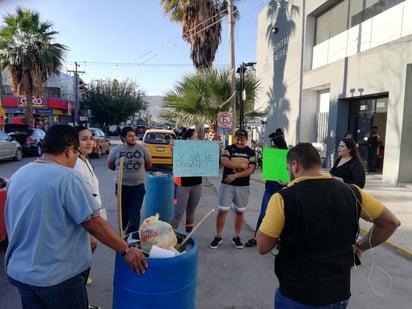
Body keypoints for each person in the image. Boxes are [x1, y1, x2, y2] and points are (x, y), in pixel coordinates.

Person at [5, 125, 148, 309]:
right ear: (69, 150)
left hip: (22, 274)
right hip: (57, 277)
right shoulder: (67, 177)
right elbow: (93, 223)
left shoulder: (19, 175)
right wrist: (126, 250)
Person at [256, 143, 400, 308]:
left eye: (288, 168)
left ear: (294, 166)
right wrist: (361, 247)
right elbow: (391, 223)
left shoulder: (283, 198)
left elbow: (262, 246)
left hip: (297, 294)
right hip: (338, 295)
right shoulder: (353, 192)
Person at [209, 129, 257, 249]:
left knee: (240, 212)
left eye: (242, 139)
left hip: (243, 186)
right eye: (238, 139)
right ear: (235, 138)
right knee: (222, 211)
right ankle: (218, 236)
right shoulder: (228, 149)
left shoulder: (250, 152)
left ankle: (236, 236)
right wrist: (241, 165)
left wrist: (235, 175)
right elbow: (224, 161)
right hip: (227, 186)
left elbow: (251, 169)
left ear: (246, 139)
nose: (240, 142)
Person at [245, 135, 288, 247]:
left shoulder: (288, 157)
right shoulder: (272, 155)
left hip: (282, 188)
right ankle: (257, 236)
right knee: (264, 212)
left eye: (275, 145)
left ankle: (281, 239)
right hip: (270, 186)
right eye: (272, 145)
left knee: (282, 215)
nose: (273, 148)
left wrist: (287, 183)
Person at [107, 126, 152, 234]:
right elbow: (110, 165)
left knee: (134, 213)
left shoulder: (142, 149)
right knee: (123, 213)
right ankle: (123, 237)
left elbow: (148, 164)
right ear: (123, 138)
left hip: (138, 187)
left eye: (134, 135)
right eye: (130, 136)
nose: (133, 138)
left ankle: (132, 238)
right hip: (122, 186)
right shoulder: (117, 150)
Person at [74, 126, 100, 289]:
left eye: (91, 138)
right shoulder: (75, 165)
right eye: (84, 139)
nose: (89, 142)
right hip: (86, 217)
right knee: (87, 248)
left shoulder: (85, 160)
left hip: (95, 211)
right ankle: (79, 282)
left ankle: (82, 278)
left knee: (90, 247)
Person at [169, 129, 202, 233]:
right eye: (195, 137)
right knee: (178, 212)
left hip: (197, 184)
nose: (197, 139)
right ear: (188, 139)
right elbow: (176, 162)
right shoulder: (180, 149)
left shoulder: (200, 150)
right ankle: (169, 235)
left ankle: (188, 235)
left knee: (191, 212)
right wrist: (173, 150)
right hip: (183, 184)